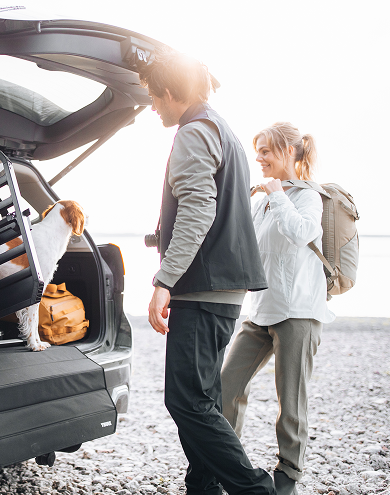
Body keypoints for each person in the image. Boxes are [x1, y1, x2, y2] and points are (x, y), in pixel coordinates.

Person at [140, 48, 275, 495]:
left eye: (154, 97)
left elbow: (197, 211)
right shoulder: (224, 130)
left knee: (186, 401)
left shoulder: (194, 132)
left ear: (171, 91)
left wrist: (164, 282)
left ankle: (255, 489)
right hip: (223, 287)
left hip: (202, 288)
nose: (152, 106)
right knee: (203, 397)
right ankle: (203, 486)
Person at [221, 122, 336, 495]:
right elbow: (246, 249)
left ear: (289, 151)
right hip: (260, 309)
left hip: (299, 312)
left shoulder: (308, 197)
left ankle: (288, 479)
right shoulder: (262, 199)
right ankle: (227, 466)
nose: (260, 158)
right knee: (225, 387)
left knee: (291, 403)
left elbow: (301, 233)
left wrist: (278, 194)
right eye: (258, 151)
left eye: (267, 151)